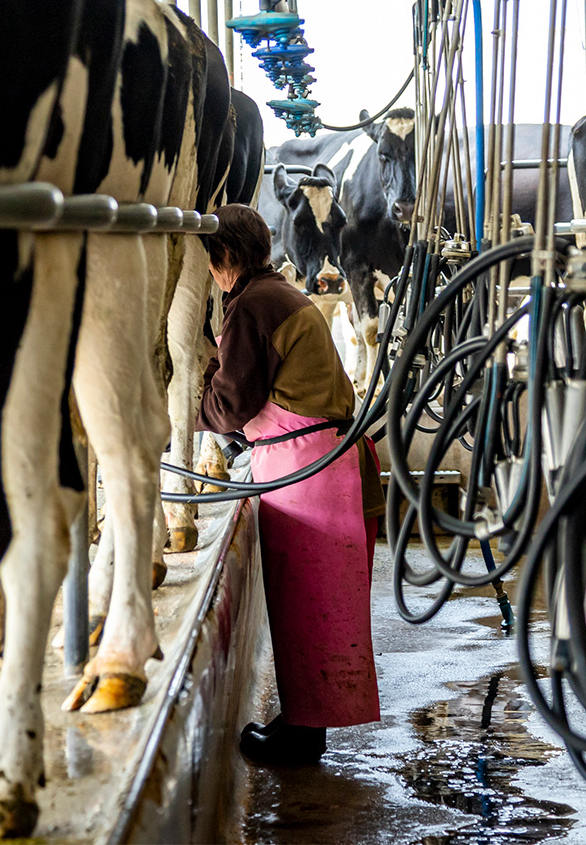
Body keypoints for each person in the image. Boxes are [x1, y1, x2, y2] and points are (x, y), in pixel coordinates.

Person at [196, 203, 385, 765]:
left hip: (309, 474)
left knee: (310, 607)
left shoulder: (252, 304)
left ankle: (304, 738)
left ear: (225, 256)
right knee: (307, 606)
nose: (211, 273)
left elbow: (231, 404)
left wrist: (193, 390)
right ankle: (302, 724)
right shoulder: (278, 293)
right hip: (321, 466)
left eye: (212, 261)